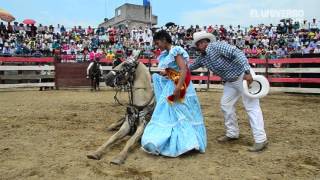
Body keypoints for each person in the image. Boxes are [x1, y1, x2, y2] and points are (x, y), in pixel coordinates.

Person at [189, 31, 268, 152]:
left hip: (243, 76)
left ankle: (261, 139)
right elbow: (190, 67)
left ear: (204, 43)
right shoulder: (202, 58)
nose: (196, 48)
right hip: (231, 81)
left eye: (198, 44)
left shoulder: (217, 46)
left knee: (251, 106)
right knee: (226, 104)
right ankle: (232, 133)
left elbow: (238, 53)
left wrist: (247, 72)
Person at [141, 30, 207, 157]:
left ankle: (189, 143)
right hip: (171, 85)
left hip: (180, 86)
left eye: (158, 42)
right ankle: (181, 142)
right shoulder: (165, 55)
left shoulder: (175, 50)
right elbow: (173, 71)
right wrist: (166, 73)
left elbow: (183, 69)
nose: (157, 45)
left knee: (182, 114)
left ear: (164, 40)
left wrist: (177, 87)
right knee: (174, 115)